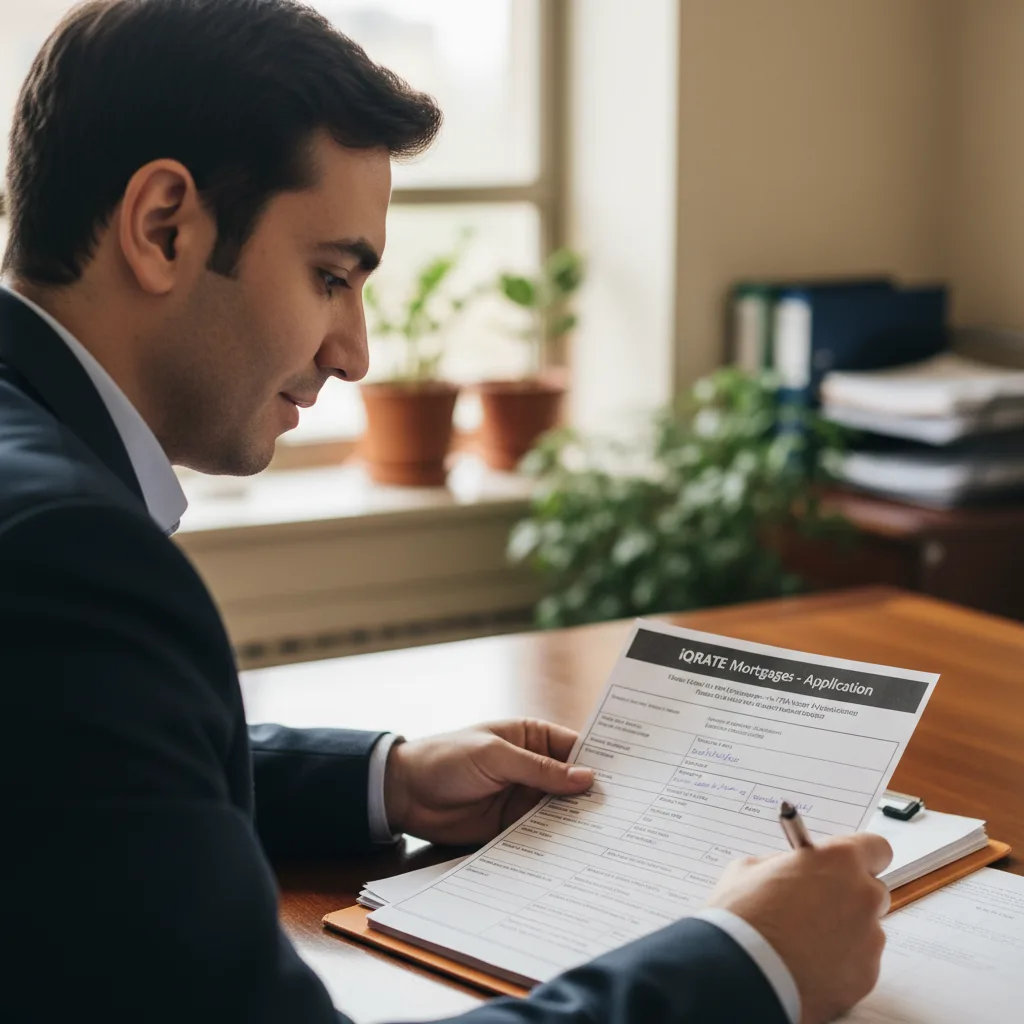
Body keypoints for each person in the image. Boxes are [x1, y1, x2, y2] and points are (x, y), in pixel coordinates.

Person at [0, 2, 892, 1022]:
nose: (355, 351)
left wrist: (386, 781)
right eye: (331, 276)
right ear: (164, 226)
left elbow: (70, 769)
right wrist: (750, 960)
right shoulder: (64, 561)